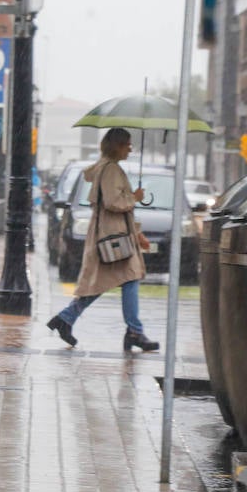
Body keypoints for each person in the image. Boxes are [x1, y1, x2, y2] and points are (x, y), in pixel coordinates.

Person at [46, 127, 161, 353]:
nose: (130, 148)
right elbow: (113, 203)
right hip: (112, 237)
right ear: (116, 145)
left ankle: (66, 318)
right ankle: (134, 332)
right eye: (126, 144)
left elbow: (117, 208)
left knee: (102, 282)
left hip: (113, 234)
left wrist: (137, 234)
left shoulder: (108, 168)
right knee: (127, 278)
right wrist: (134, 197)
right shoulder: (110, 170)